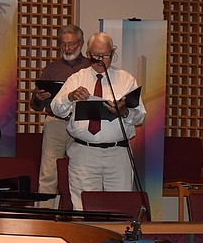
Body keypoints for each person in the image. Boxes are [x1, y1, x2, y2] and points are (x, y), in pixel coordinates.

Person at [50, 32, 146, 210]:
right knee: (84, 208)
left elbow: (140, 116)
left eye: (105, 55)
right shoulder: (77, 78)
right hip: (84, 153)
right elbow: (56, 108)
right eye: (96, 55)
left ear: (113, 53)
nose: (100, 60)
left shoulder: (126, 79)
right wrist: (70, 97)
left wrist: (124, 112)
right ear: (88, 54)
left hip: (118, 153)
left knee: (120, 208)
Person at [29, 25, 91, 206]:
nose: (67, 49)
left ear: (80, 44)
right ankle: (44, 218)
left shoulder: (89, 67)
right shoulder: (52, 68)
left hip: (80, 123)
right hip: (55, 123)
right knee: (48, 173)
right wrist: (39, 98)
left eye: (71, 44)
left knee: (80, 172)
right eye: (63, 44)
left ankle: (78, 214)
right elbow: (34, 105)